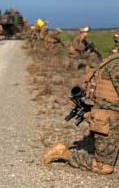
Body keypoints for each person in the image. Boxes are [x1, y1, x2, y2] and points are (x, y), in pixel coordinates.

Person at [42, 32, 119, 174]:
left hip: (109, 115)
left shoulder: (113, 60)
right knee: (104, 167)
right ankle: (64, 153)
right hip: (108, 120)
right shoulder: (116, 65)